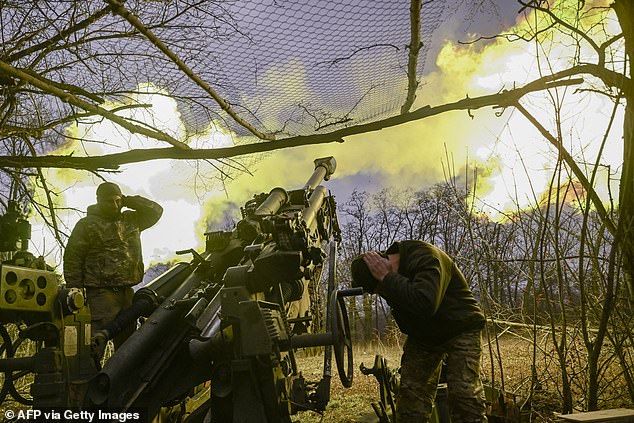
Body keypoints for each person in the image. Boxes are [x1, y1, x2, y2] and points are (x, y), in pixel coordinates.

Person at [351, 240, 488, 423]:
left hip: (460, 326)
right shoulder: (392, 278)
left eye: (380, 288)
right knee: (410, 399)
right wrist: (390, 285)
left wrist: (388, 278)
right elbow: (407, 325)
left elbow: (425, 303)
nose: (383, 292)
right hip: (425, 335)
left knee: (464, 397)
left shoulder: (425, 257)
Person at [64, 182, 163, 359]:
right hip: (101, 295)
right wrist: (75, 290)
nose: (115, 205)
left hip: (127, 293)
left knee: (127, 351)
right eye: (110, 201)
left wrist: (129, 200)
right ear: (99, 201)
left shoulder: (132, 219)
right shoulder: (87, 225)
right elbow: (73, 258)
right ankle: (89, 385)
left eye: (118, 201)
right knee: (93, 346)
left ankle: (121, 385)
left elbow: (156, 211)